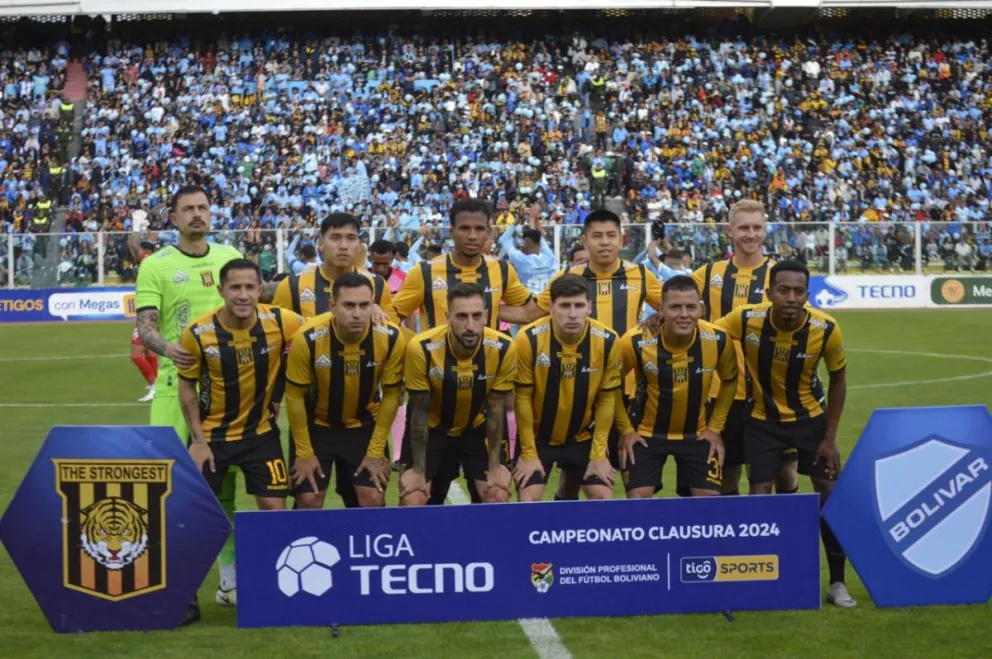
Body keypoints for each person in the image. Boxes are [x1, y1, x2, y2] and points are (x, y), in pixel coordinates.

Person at [713, 260, 854, 608]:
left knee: (829, 492)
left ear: (807, 294)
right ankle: (762, 576)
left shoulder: (826, 327)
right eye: (783, 290)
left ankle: (837, 582)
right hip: (762, 421)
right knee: (759, 493)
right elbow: (706, 332)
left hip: (812, 421)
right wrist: (657, 320)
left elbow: (839, 381)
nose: (791, 297)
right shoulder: (745, 319)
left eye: (799, 291)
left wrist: (830, 438)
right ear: (769, 293)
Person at [134, 185, 241, 622]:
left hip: (228, 389)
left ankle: (230, 580)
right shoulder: (156, 265)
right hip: (173, 391)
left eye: (203, 208)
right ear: (173, 218)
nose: (197, 215)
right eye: (188, 210)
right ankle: (173, 583)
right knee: (169, 489)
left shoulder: (228, 254)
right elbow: (146, 328)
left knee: (226, 484)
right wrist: (169, 348)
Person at [392, 198, 537, 503]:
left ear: (489, 233)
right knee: (415, 496)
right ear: (452, 231)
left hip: (481, 408)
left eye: (479, 229)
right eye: (464, 228)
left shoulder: (501, 270)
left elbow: (525, 313)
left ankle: (491, 551)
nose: (472, 235)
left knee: (496, 494)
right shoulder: (426, 272)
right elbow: (393, 316)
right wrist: (418, 346)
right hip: (433, 401)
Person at [537, 208, 663, 497]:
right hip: (579, 393)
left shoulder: (641, 275)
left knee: (634, 474)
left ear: (621, 239)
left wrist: (659, 316)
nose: (604, 242)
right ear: (584, 241)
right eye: (597, 236)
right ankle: (567, 535)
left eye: (610, 236)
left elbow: (676, 306)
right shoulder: (567, 278)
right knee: (575, 473)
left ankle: (634, 536)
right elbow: (533, 312)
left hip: (629, 392)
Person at [690, 199, 798, 496]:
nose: (751, 234)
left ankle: (782, 539)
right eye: (744, 228)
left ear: (765, 230)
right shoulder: (708, 273)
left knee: (783, 474)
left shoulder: (781, 276)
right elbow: (672, 303)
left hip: (769, 394)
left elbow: (803, 324)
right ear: (729, 231)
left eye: (757, 227)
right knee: (727, 473)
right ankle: (738, 541)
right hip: (721, 393)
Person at [284, 273, 405, 509]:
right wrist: (304, 452)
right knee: (309, 499)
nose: (357, 313)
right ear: (332, 306)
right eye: (349, 305)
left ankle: (366, 546)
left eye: (364, 305)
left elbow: (391, 395)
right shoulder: (307, 338)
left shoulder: (390, 338)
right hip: (316, 425)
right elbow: (294, 396)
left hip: (363, 426)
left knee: (373, 498)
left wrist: (376, 450)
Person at [615, 275, 738, 498]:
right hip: (646, 434)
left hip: (698, 433)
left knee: (709, 501)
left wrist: (715, 429)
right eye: (675, 307)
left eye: (691, 307)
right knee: (637, 500)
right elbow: (609, 385)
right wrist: (626, 431)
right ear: (660, 310)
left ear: (701, 309)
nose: (684, 314)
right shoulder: (635, 341)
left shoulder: (718, 340)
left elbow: (730, 381)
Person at [399, 283, 517, 506]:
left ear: (486, 316)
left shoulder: (503, 348)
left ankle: (485, 541)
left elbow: (495, 409)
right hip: (432, 429)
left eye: (476, 316)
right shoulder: (421, 348)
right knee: (413, 498)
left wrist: (495, 466)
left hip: (478, 427)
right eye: (461, 317)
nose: (470, 325)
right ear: (447, 317)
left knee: (497, 495)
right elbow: (419, 412)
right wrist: (418, 470)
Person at [513, 274, 619, 501]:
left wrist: (599, 455)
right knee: (527, 502)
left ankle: (564, 495)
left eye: (579, 305)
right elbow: (522, 398)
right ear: (551, 307)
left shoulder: (608, 341)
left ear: (589, 307)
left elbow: (607, 400)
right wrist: (529, 454)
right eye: (565, 306)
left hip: (581, 437)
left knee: (604, 500)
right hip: (538, 437)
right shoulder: (527, 339)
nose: (572, 313)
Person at [273, 213, 396, 324]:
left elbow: (392, 336)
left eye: (351, 238)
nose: (343, 246)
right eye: (335, 238)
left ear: (359, 245)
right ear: (320, 244)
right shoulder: (291, 286)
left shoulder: (378, 285)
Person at [128, 235, 158, 402]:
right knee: (148, 350)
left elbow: (133, 244)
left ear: (147, 252)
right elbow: (132, 247)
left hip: (147, 315)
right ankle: (157, 382)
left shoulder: (148, 261)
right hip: (152, 313)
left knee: (136, 355)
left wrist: (136, 226)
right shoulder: (153, 265)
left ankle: (154, 385)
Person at [496, 212, 557, 295]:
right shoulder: (549, 256)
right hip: (546, 302)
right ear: (539, 243)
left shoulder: (521, 259)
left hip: (528, 303)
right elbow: (540, 239)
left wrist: (517, 220)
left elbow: (503, 239)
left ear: (526, 243)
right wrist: (535, 217)